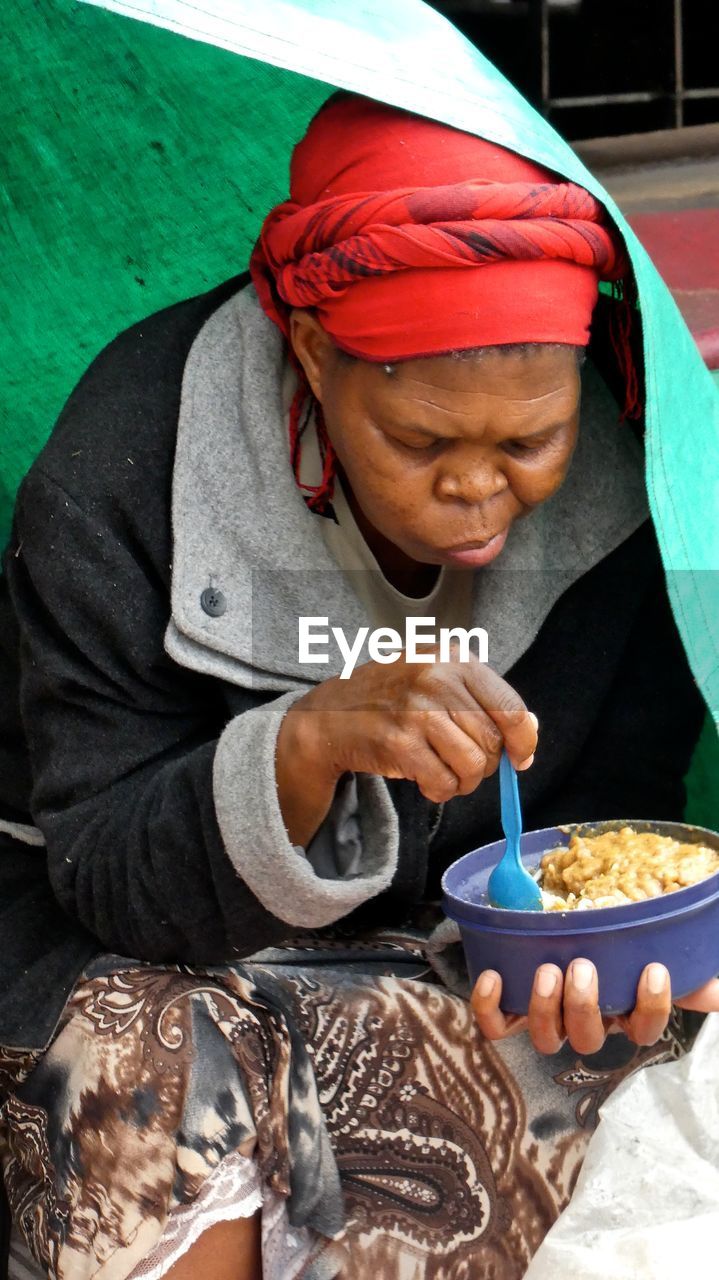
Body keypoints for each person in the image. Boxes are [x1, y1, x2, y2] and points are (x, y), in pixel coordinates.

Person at [0, 91, 716, 1280]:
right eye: (423, 444)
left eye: (527, 442)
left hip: (429, 960)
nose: (478, 492)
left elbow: (600, 820)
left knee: (557, 1114)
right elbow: (95, 864)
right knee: (145, 1089)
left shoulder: (627, 493)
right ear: (317, 354)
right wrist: (302, 746)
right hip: (123, 952)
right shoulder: (125, 470)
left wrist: (576, 959)